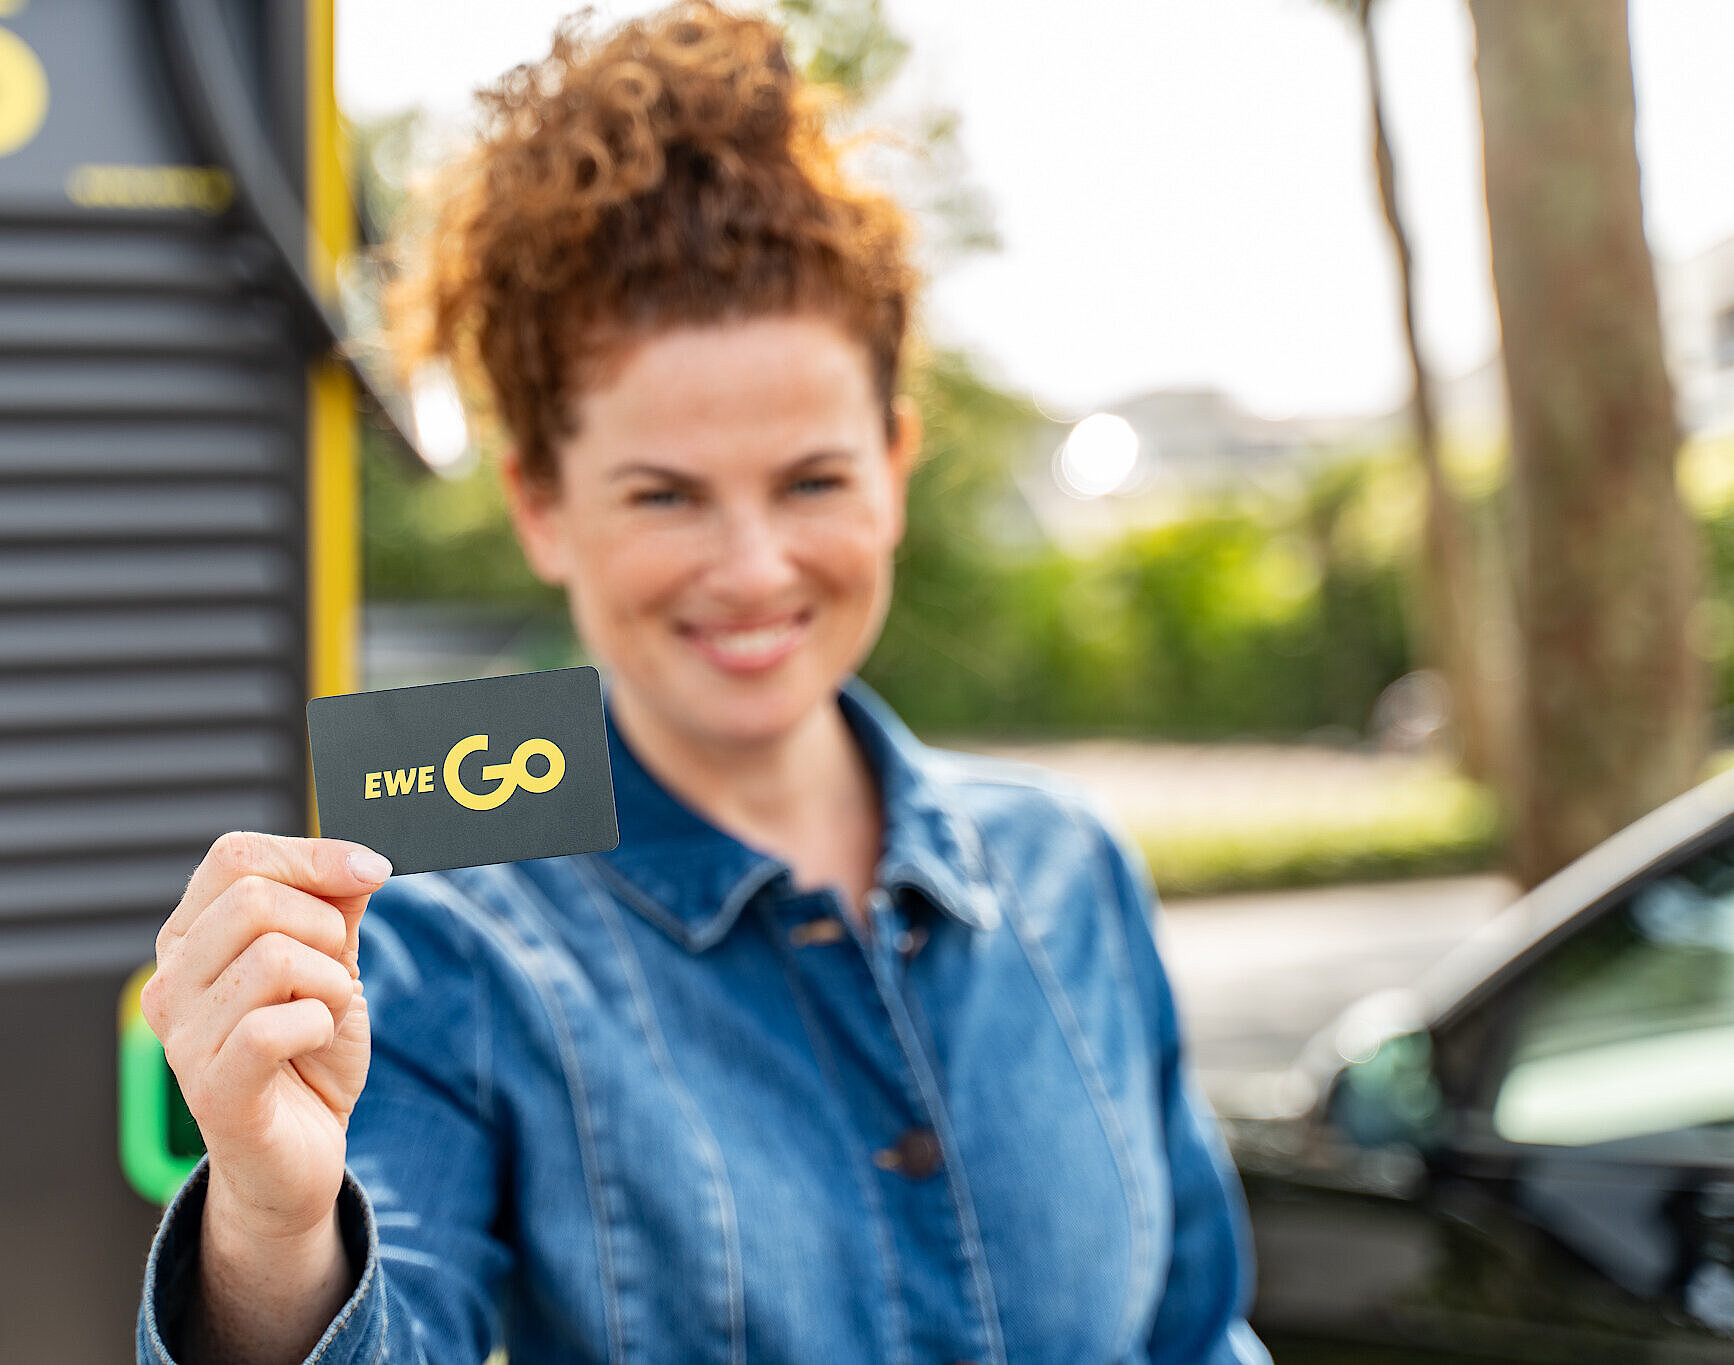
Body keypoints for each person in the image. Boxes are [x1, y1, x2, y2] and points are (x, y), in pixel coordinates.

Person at [136, 4, 1268, 1362]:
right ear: (543, 506)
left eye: (812, 480)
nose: (750, 567)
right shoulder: (449, 938)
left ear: (895, 466)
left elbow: (1196, 1332)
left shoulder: (1069, 870)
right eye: (664, 494)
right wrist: (271, 1220)